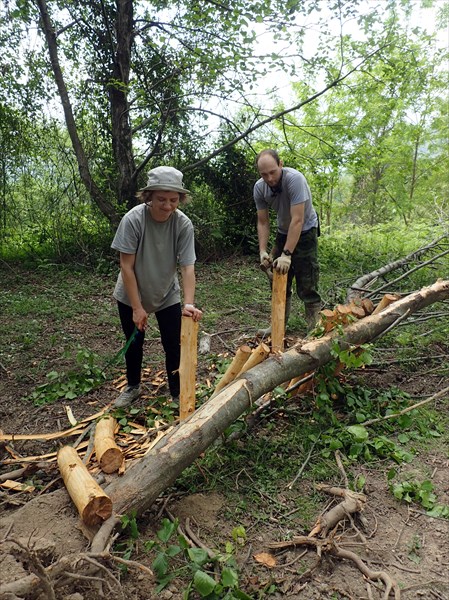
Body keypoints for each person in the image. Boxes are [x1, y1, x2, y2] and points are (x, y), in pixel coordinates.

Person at [111, 166, 203, 408]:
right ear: (149, 196)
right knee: (134, 341)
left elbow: (187, 267)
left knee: (173, 343)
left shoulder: (183, 225)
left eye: (174, 200)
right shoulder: (133, 220)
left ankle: (176, 392)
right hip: (132, 293)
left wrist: (189, 304)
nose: (167, 206)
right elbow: (126, 266)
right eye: (161, 199)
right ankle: (132, 386)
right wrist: (137, 307)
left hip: (166, 293)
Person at [253, 149, 321, 334]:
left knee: (307, 280)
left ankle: (315, 328)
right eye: (264, 174)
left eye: (273, 172)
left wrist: (287, 254)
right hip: (283, 232)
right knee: (277, 278)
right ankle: (278, 325)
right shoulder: (260, 188)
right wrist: (263, 251)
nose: (269, 178)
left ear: (280, 164)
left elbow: (297, 220)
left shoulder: (295, 179)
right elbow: (263, 221)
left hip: (306, 231)